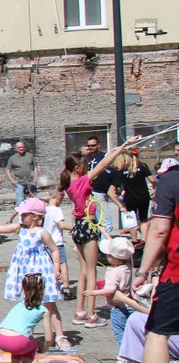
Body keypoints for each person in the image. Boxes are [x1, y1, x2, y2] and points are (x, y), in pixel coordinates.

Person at [116, 157, 179, 363]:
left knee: (157, 333)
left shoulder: (172, 180)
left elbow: (159, 229)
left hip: (176, 275)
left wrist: (142, 271)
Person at [0, 197, 71, 350]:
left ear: (36, 217)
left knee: (49, 304)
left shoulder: (42, 232)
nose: (21, 217)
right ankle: (27, 335)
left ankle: (60, 336)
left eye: (24, 214)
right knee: (27, 304)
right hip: (24, 272)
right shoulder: (19, 228)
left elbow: (55, 249)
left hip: (41, 271)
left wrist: (57, 269)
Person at [60, 136, 135, 330]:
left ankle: (79, 312)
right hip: (88, 225)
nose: (87, 168)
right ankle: (92, 315)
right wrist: (123, 147)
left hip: (78, 227)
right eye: (84, 165)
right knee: (92, 271)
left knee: (84, 271)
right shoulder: (82, 181)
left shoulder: (69, 184)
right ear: (78, 168)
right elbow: (104, 162)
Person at [80, 237, 136, 363]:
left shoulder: (115, 271)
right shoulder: (126, 267)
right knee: (129, 332)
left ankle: (125, 359)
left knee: (119, 332)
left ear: (115, 258)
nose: (106, 256)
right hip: (129, 305)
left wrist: (93, 292)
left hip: (119, 307)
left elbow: (110, 289)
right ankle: (133, 355)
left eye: (108, 255)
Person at [0, 274, 53, 363]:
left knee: (20, 342)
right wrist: (43, 348)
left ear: (23, 289)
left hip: (0, 337)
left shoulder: (18, 305)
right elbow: (49, 338)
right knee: (30, 344)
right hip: (17, 341)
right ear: (43, 290)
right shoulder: (43, 310)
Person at [113, 150, 154, 242]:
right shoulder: (142, 166)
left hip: (129, 197)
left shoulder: (122, 169)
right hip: (143, 196)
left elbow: (116, 186)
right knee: (143, 218)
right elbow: (152, 180)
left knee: (132, 219)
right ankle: (144, 240)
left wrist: (118, 192)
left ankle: (134, 240)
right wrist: (156, 186)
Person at [82, 136, 117, 234]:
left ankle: (103, 244)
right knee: (95, 221)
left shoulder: (103, 156)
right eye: (88, 145)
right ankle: (101, 244)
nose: (90, 147)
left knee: (104, 221)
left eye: (93, 145)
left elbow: (112, 170)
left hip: (102, 191)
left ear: (98, 145)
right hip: (90, 192)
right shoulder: (85, 158)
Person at [43, 192, 74, 299]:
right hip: (57, 243)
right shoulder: (57, 210)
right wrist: (74, 228)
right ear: (59, 198)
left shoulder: (44, 209)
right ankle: (66, 288)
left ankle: (53, 286)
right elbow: (62, 225)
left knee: (51, 266)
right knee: (62, 264)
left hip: (46, 243)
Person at [6, 142, 38, 207]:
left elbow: (35, 167)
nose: (21, 149)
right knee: (20, 202)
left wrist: (36, 178)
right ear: (16, 149)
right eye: (19, 147)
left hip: (31, 182)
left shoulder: (30, 156)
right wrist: (12, 181)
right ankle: (21, 216)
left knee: (34, 200)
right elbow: (8, 170)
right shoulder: (12, 158)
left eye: (22, 147)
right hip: (19, 183)